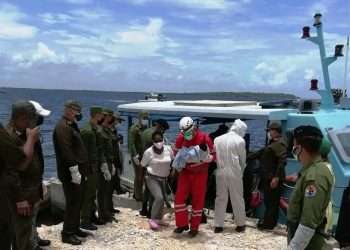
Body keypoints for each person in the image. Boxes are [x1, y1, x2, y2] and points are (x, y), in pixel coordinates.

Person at [6, 101, 50, 250]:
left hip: (31, 189)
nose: (34, 123)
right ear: (20, 118)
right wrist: (20, 198)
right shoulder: (10, 137)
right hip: (21, 193)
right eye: (30, 119)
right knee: (21, 233)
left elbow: (36, 161)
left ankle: (32, 244)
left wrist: (39, 182)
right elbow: (18, 168)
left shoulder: (27, 133)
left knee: (26, 229)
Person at [287, 126, 334, 250]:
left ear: (300, 148)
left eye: (294, 147)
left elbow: (308, 223)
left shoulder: (315, 176)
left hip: (308, 244)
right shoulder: (310, 170)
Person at [53, 100, 89, 245]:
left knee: (78, 200)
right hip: (69, 171)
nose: (77, 113)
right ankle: (67, 234)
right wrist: (74, 170)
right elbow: (66, 150)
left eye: (78, 111)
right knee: (72, 201)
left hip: (78, 169)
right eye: (74, 110)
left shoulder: (71, 124)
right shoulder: (62, 127)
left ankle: (74, 227)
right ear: (67, 109)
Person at [0, 118, 39, 250]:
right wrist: (31, 139)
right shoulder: (10, 137)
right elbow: (17, 164)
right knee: (12, 231)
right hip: (14, 191)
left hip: (22, 189)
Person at [173, 116, 214, 237]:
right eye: (184, 132)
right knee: (179, 199)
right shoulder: (180, 138)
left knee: (198, 200)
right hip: (185, 173)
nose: (187, 134)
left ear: (194, 127)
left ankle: (194, 228)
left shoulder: (204, 138)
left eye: (188, 132)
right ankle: (182, 224)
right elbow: (176, 154)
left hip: (200, 173)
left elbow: (213, 155)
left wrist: (207, 158)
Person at [248, 122, 287, 230]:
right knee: (270, 202)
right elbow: (261, 153)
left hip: (272, 179)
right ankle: (270, 223)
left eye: (269, 131)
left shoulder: (280, 144)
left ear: (275, 131)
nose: (268, 133)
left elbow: (282, 161)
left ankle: (268, 224)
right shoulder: (273, 143)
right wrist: (246, 156)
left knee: (271, 202)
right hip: (268, 177)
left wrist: (276, 177)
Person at [213, 119, 247, 233]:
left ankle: (218, 225)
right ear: (240, 129)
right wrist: (241, 172)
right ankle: (240, 224)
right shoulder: (240, 140)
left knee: (220, 198)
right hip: (235, 171)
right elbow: (243, 160)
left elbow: (214, 156)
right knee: (237, 198)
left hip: (220, 170)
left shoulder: (217, 139)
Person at [28, 101, 52, 250]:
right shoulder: (23, 137)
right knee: (26, 219)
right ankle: (31, 244)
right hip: (25, 186)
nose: (41, 120)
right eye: (38, 117)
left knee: (33, 215)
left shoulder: (33, 133)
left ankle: (34, 238)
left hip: (35, 181)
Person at [141, 131, 174, 230]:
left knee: (163, 199)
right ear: (153, 141)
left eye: (160, 140)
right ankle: (152, 219)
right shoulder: (148, 152)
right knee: (159, 197)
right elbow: (142, 165)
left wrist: (172, 172)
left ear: (163, 139)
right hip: (151, 177)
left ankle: (159, 219)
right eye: (156, 140)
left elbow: (173, 160)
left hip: (164, 178)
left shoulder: (168, 149)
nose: (158, 142)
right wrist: (141, 180)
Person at [80, 106, 106, 230]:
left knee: (93, 192)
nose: (103, 117)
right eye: (101, 114)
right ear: (96, 115)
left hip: (94, 165)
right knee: (88, 194)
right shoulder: (87, 131)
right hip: (89, 167)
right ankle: (85, 219)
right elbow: (83, 152)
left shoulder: (94, 129)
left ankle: (91, 215)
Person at [140, 119, 170, 217]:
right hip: (152, 164)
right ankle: (150, 211)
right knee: (154, 192)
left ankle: (144, 208)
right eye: (163, 130)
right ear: (160, 127)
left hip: (145, 161)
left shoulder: (146, 132)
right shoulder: (155, 136)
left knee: (147, 189)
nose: (163, 132)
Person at [99, 108, 117, 223]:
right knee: (103, 190)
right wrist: (104, 164)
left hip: (110, 162)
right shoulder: (101, 131)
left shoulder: (106, 130)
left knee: (108, 189)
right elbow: (100, 150)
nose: (111, 118)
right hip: (104, 163)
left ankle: (107, 212)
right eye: (109, 116)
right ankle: (103, 214)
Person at [128, 111, 149, 201]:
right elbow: (131, 143)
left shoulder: (146, 128)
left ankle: (141, 194)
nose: (145, 120)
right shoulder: (134, 129)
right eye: (144, 118)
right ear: (139, 118)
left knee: (144, 176)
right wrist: (134, 155)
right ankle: (137, 196)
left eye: (146, 118)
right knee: (138, 176)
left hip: (145, 155)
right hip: (137, 155)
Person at [110, 112, 126, 195]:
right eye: (118, 121)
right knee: (114, 173)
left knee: (118, 171)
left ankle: (117, 187)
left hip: (117, 154)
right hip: (112, 156)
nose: (119, 123)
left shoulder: (114, 130)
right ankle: (115, 189)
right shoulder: (109, 129)